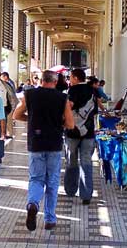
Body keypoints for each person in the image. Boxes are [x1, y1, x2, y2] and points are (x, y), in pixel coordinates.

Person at [14, 70, 75, 232]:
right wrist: (59, 121)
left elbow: (16, 115)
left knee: (36, 178)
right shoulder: (62, 98)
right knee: (52, 181)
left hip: (36, 143)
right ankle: (49, 218)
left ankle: (33, 203)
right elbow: (70, 124)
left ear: (41, 80)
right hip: (54, 143)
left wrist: (31, 118)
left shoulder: (29, 94)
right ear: (55, 82)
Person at [65, 68, 98, 205]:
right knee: (86, 163)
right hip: (88, 132)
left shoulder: (73, 90)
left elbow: (69, 106)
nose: (69, 80)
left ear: (76, 78)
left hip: (73, 132)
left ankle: (71, 190)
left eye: (71, 77)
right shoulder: (93, 90)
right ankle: (86, 195)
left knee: (71, 162)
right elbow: (95, 110)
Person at [0, 68, 18, 157]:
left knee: (2, 132)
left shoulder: (5, 85)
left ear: (0, 75)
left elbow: (11, 97)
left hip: (3, 111)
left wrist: (10, 109)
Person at [0, 71, 18, 138]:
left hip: (10, 104)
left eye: (1, 77)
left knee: (9, 118)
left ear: (5, 77)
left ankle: (9, 133)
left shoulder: (8, 83)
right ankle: (8, 133)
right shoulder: (10, 82)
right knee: (8, 118)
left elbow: (11, 94)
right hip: (10, 103)